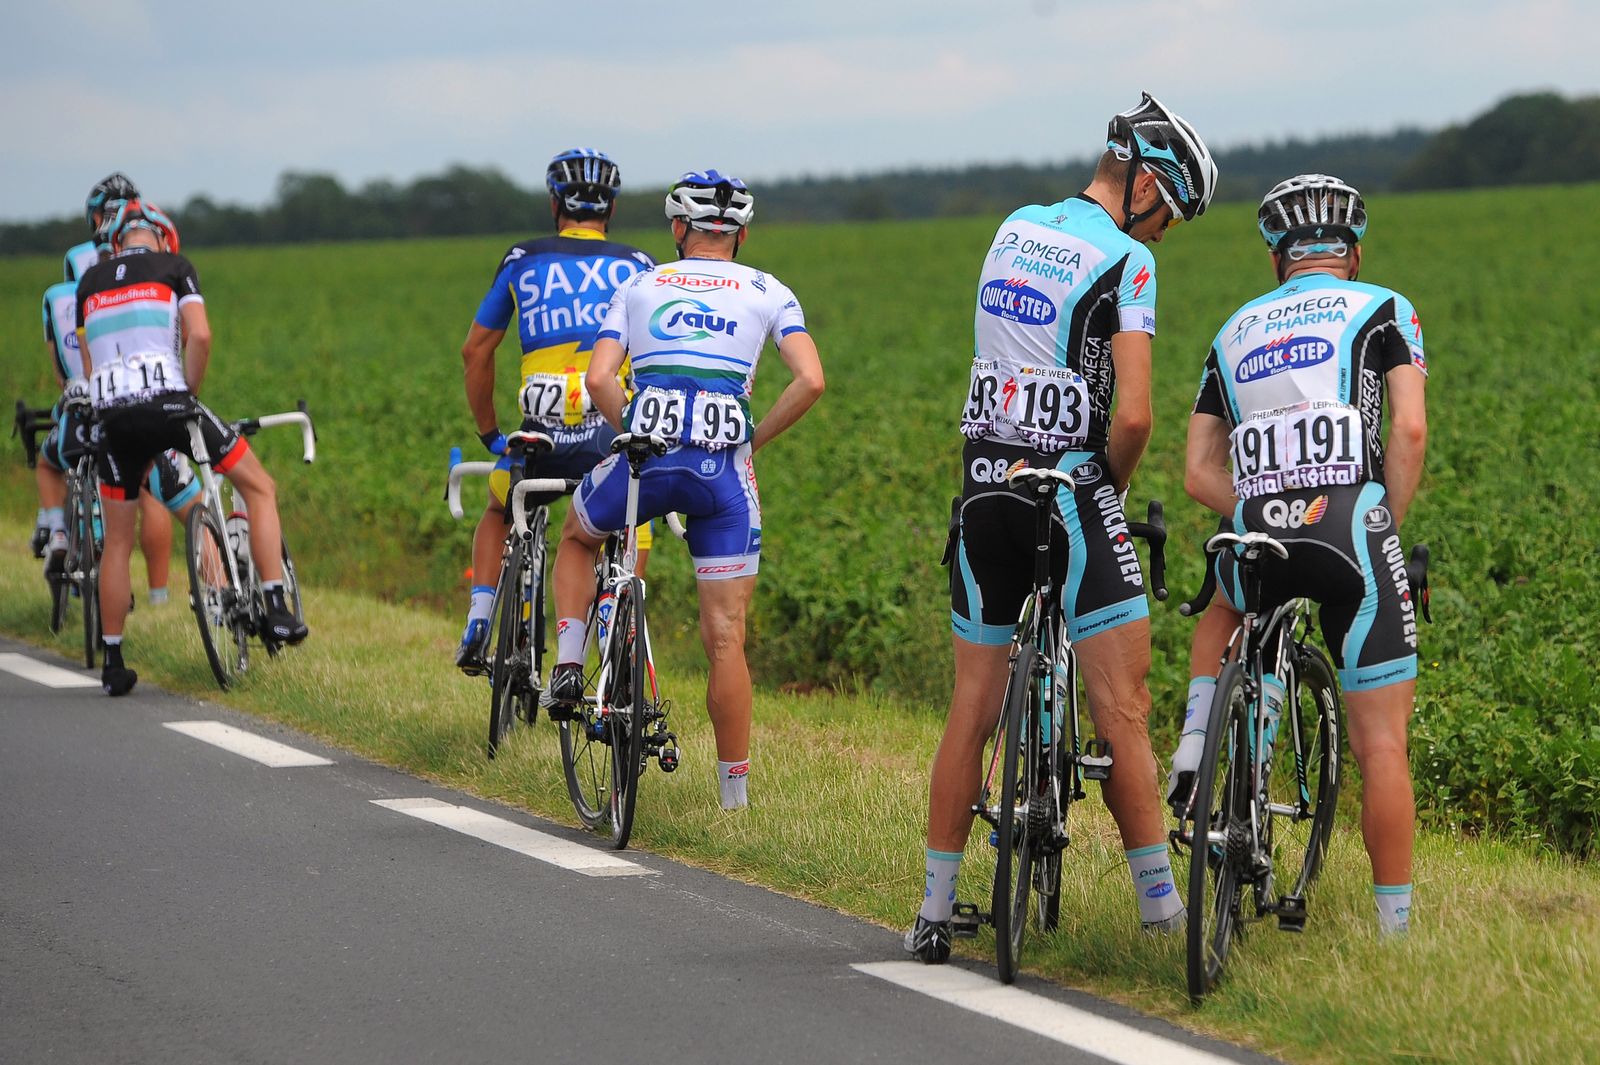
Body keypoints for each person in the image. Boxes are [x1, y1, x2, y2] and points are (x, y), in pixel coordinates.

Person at [906, 93, 1218, 963]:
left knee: (972, 706)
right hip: (1066, 489)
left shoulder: (1012, 227)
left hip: (980, 490)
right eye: (1174, 212)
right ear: (1148, 182)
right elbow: (1136, 419)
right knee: (1122, 705)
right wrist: (1108, 493)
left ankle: (934, 910)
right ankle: (1162, 913)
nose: (1167, 233)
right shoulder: (1126, 259)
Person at [1167, 174, 1427, 937]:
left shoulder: (1234, 329)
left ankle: (1195, 743)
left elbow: (1195, 472)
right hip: (1351, 522)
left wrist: (1260, 503)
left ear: (1279, 259)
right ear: (1354, 253)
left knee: (1224, 605)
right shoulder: (1386, 308)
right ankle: (1395, 935)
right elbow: (1406, 434)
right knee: (1382, 740)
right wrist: (1381, 522)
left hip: (1256, 527)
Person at [547, 170, 825, 811]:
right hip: (723, 475)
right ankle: (735, 799)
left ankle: (567, 661)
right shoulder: (768, 290)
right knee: (727, 637)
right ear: (742, 234)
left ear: (677, 229)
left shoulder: (639, 285)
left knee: (578, 535)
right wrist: (751, 441)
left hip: (647, 461)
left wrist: (633, 433)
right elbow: (810, 381)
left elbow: (597, 380)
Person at [75, 200, 306, 696]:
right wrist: (189, 391)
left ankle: (113, 661)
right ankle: (276, 605)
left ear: (116, 241)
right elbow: (199, 333)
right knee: (259, 487)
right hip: (170, 406)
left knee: (117, 541)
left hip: (113, 420)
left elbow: (90, 361)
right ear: (163, 237)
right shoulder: (174, 268)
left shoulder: (89, 283)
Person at [455, 148, 657, 672]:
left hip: (538, 439)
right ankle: (615, 619)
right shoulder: (638, 267)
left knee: (500, 508)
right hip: (607, 439)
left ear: (554, 205)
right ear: (610, 208)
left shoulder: (523, 259)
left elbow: (475, 352)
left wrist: (489, 435)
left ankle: (479, 617)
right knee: (631, 524)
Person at [35, 185, 200, 602]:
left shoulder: (69, 291)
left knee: (51, 463)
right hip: (158, 398)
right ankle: (161, 595)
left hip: (96, 410)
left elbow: (67, 366)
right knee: (163, 496)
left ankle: (56, 532)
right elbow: (185, 338)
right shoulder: (162, 271)